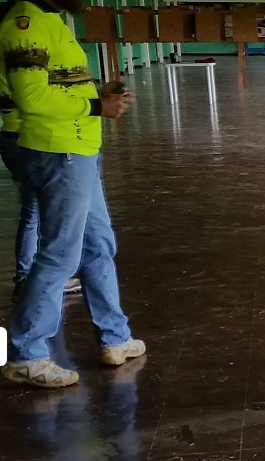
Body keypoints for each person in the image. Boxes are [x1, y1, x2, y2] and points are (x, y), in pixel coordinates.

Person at [2, 0, 143, 388]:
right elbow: (30, 96)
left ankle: (114, 337)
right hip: (57, 150)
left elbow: (57, 84)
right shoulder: (25, 25)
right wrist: (97, 104)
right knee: (60, 254)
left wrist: (99, 91)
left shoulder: (53, 20)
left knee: (98, 243)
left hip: (78, 148)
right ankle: (25, 354)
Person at [0, 23, 77, 302]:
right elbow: (36, 97)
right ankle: (29, 279)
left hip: (11, 134)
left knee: (34, 211)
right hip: (27, 136)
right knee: (36, 212)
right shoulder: (21, 44)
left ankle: (31, 277)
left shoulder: (5, 47)